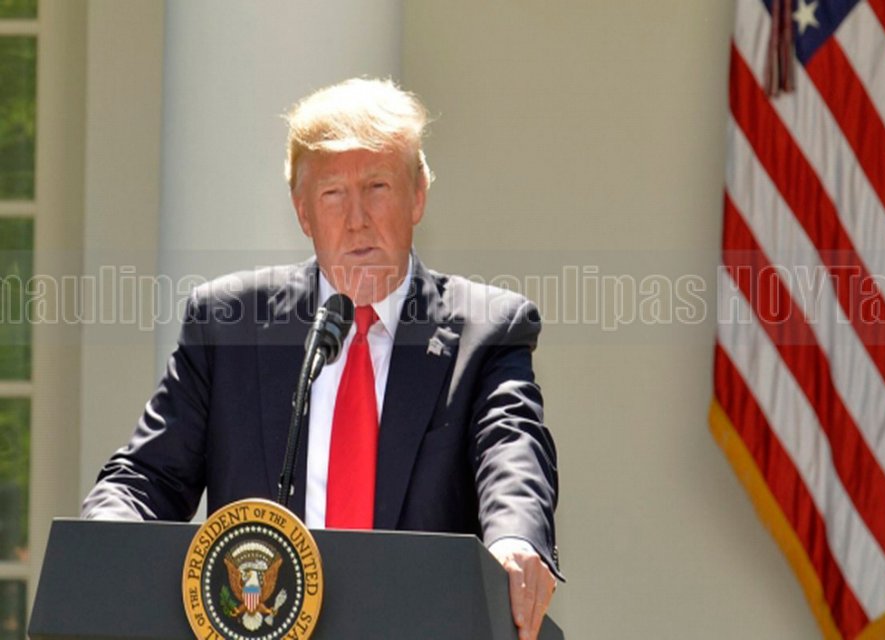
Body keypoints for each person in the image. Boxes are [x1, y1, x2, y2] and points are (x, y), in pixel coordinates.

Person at [82, 78, 560, 639]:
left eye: (378, 186)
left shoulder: (488, 330)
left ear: (418, 195)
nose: (357, 218)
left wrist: (515, 540)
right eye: (333, 193)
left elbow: (511, 453)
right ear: (303, 213)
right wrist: (103, 538)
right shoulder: (229, 324)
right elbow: (147, 476)